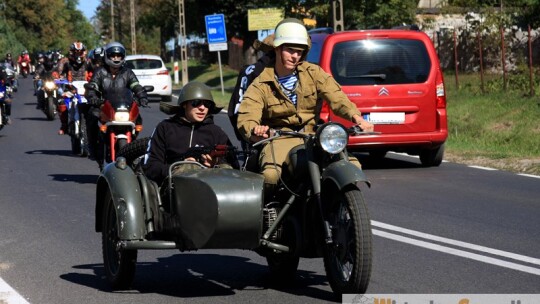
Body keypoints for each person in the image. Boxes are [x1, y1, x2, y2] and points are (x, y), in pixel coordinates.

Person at [236, 18, 374, 199]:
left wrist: (357, 117)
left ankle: (338, 210)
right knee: (270, 175)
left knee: (352, 165)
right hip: (279, 138)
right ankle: (270, 214)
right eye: (290, 50)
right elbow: (247, 115)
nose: (295, 56)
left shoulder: (313, 73)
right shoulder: (261, 83)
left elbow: (337, 97)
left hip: (313, 136)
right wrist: (255, 128)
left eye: (299, 52)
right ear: (277, 48)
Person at [143, 81, 237, 186]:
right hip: (172, 191)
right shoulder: (165, 128)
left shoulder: (217, 133)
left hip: (211, 192)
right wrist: (179, 168)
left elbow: (234, 170)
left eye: (207, 104)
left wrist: (214, 165)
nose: (202, 108)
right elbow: (150, 167)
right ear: (184, 104)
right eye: (196, 103)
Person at [85, 41, 149, 168]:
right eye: (113, 56)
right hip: (104, 106)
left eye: (118, 56)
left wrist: (142, 96)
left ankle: (132, 146)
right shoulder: (100, 72)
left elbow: (135, 85)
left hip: (123, 107)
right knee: (91, 117)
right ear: (107, 56)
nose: (116, 58)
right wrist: (92, 97)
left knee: (138, 118)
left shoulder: (127, 72)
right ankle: (92, 148)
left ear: (122, 56)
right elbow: (92, 86)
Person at [56, 41, 92, 135]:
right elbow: (60, 73)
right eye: (76, 52)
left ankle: (94, 126)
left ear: (84, 52)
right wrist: (59, 78)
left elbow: (96, 73)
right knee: (61, 102)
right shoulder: (66, 62)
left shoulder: (88, 62)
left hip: (86, 90)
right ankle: (64, 125)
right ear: (72, 52)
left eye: (80, 52)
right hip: (70, 90)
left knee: (96, 104)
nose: (78, 54)